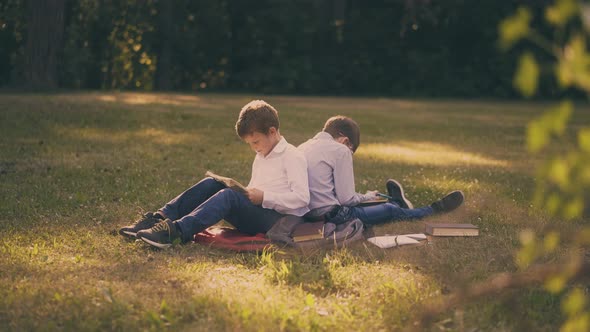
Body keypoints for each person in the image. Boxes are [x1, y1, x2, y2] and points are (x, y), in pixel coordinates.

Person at [119, 100, 310, 248]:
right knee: (213, 183)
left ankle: (177, 231)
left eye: (256, 142)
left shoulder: (292, 156)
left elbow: (302, 199)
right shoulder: (262, 154)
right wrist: (249, 193)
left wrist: (264, 197)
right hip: (258, 213)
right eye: (250, 144)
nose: (254, 148)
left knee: (229, 196)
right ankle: (158, 219)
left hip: (277, 220)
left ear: (272, 131)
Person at [297, 115, 464, 225]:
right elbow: (346, 200)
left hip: (307, 215)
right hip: (332, 216)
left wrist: (365, 197)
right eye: (351, 151)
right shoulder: (340, 150)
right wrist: (366, 197)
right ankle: (432, 209)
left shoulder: (303, 147)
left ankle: (396, 202)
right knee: (389, 211)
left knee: (370, 202)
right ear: (346, 141)